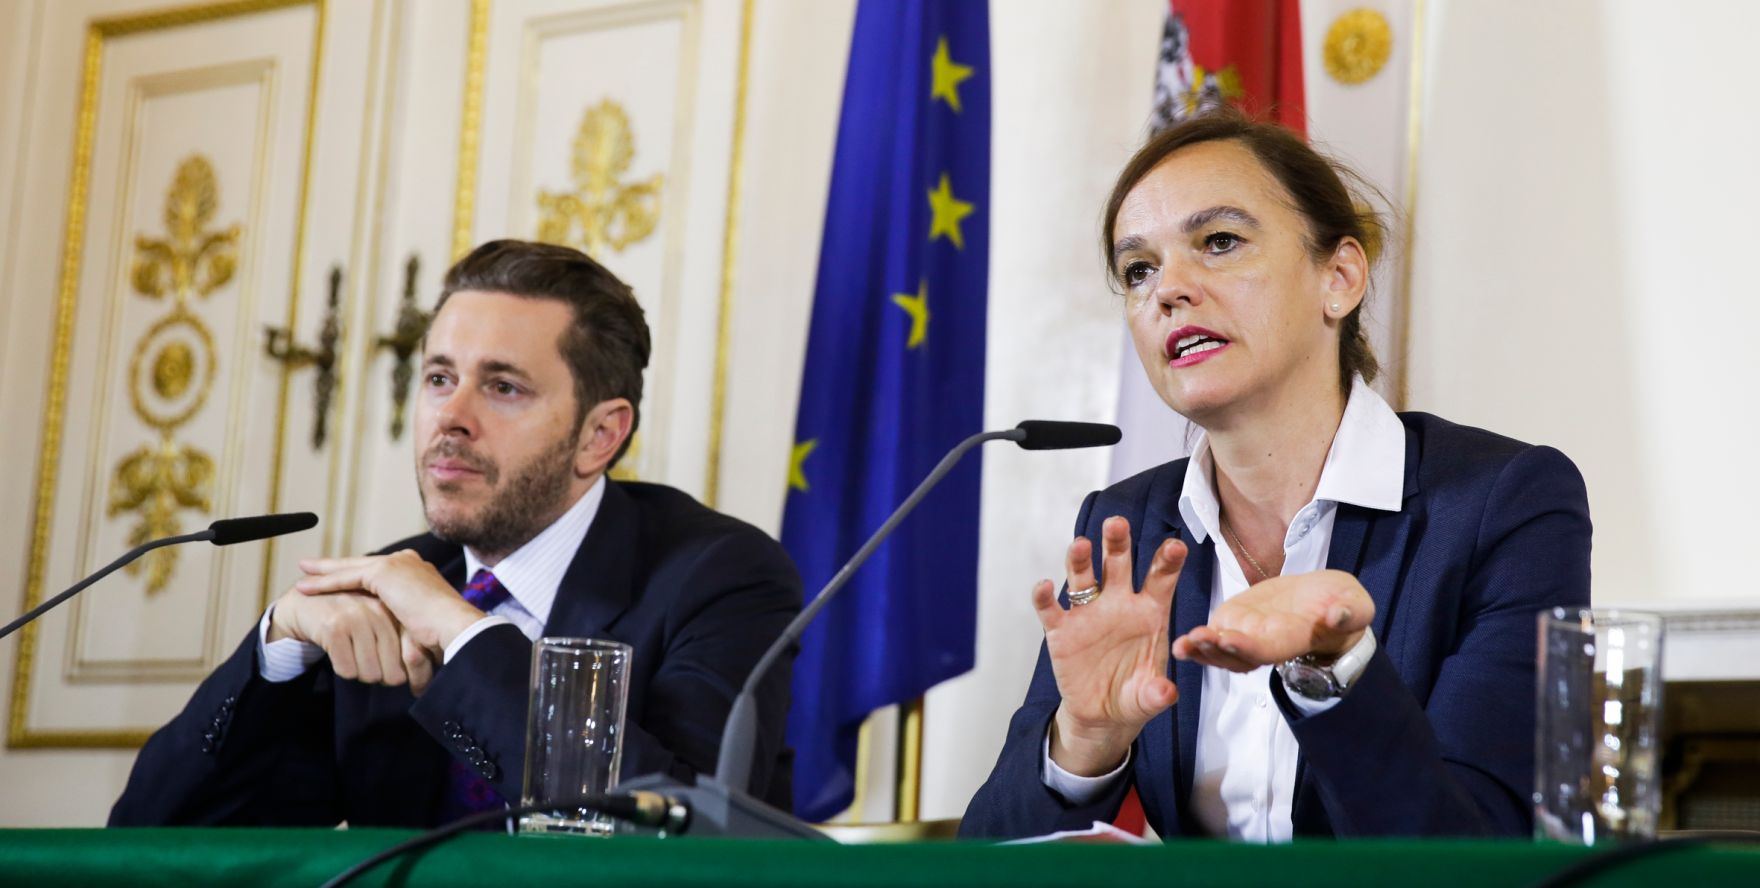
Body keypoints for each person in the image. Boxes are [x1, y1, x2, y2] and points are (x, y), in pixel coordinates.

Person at [961, 110, 1591, 841]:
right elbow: (984, 860)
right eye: (1140, 269)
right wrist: (1084, 737)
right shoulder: (1129, 525)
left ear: (1341, 277)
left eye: (1219, 241)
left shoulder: (1504, 504)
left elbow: (1478, 849)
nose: (1169, 289)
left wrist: (1338, 673)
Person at [110, 239, 802, 827]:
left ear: (599, 435)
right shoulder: (384, 591)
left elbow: (685, 825)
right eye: (440, 378)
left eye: (503, 387)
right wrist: (276, 650)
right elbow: (153, 836)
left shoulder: (721, 575)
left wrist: (461, 631)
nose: (452, 416)